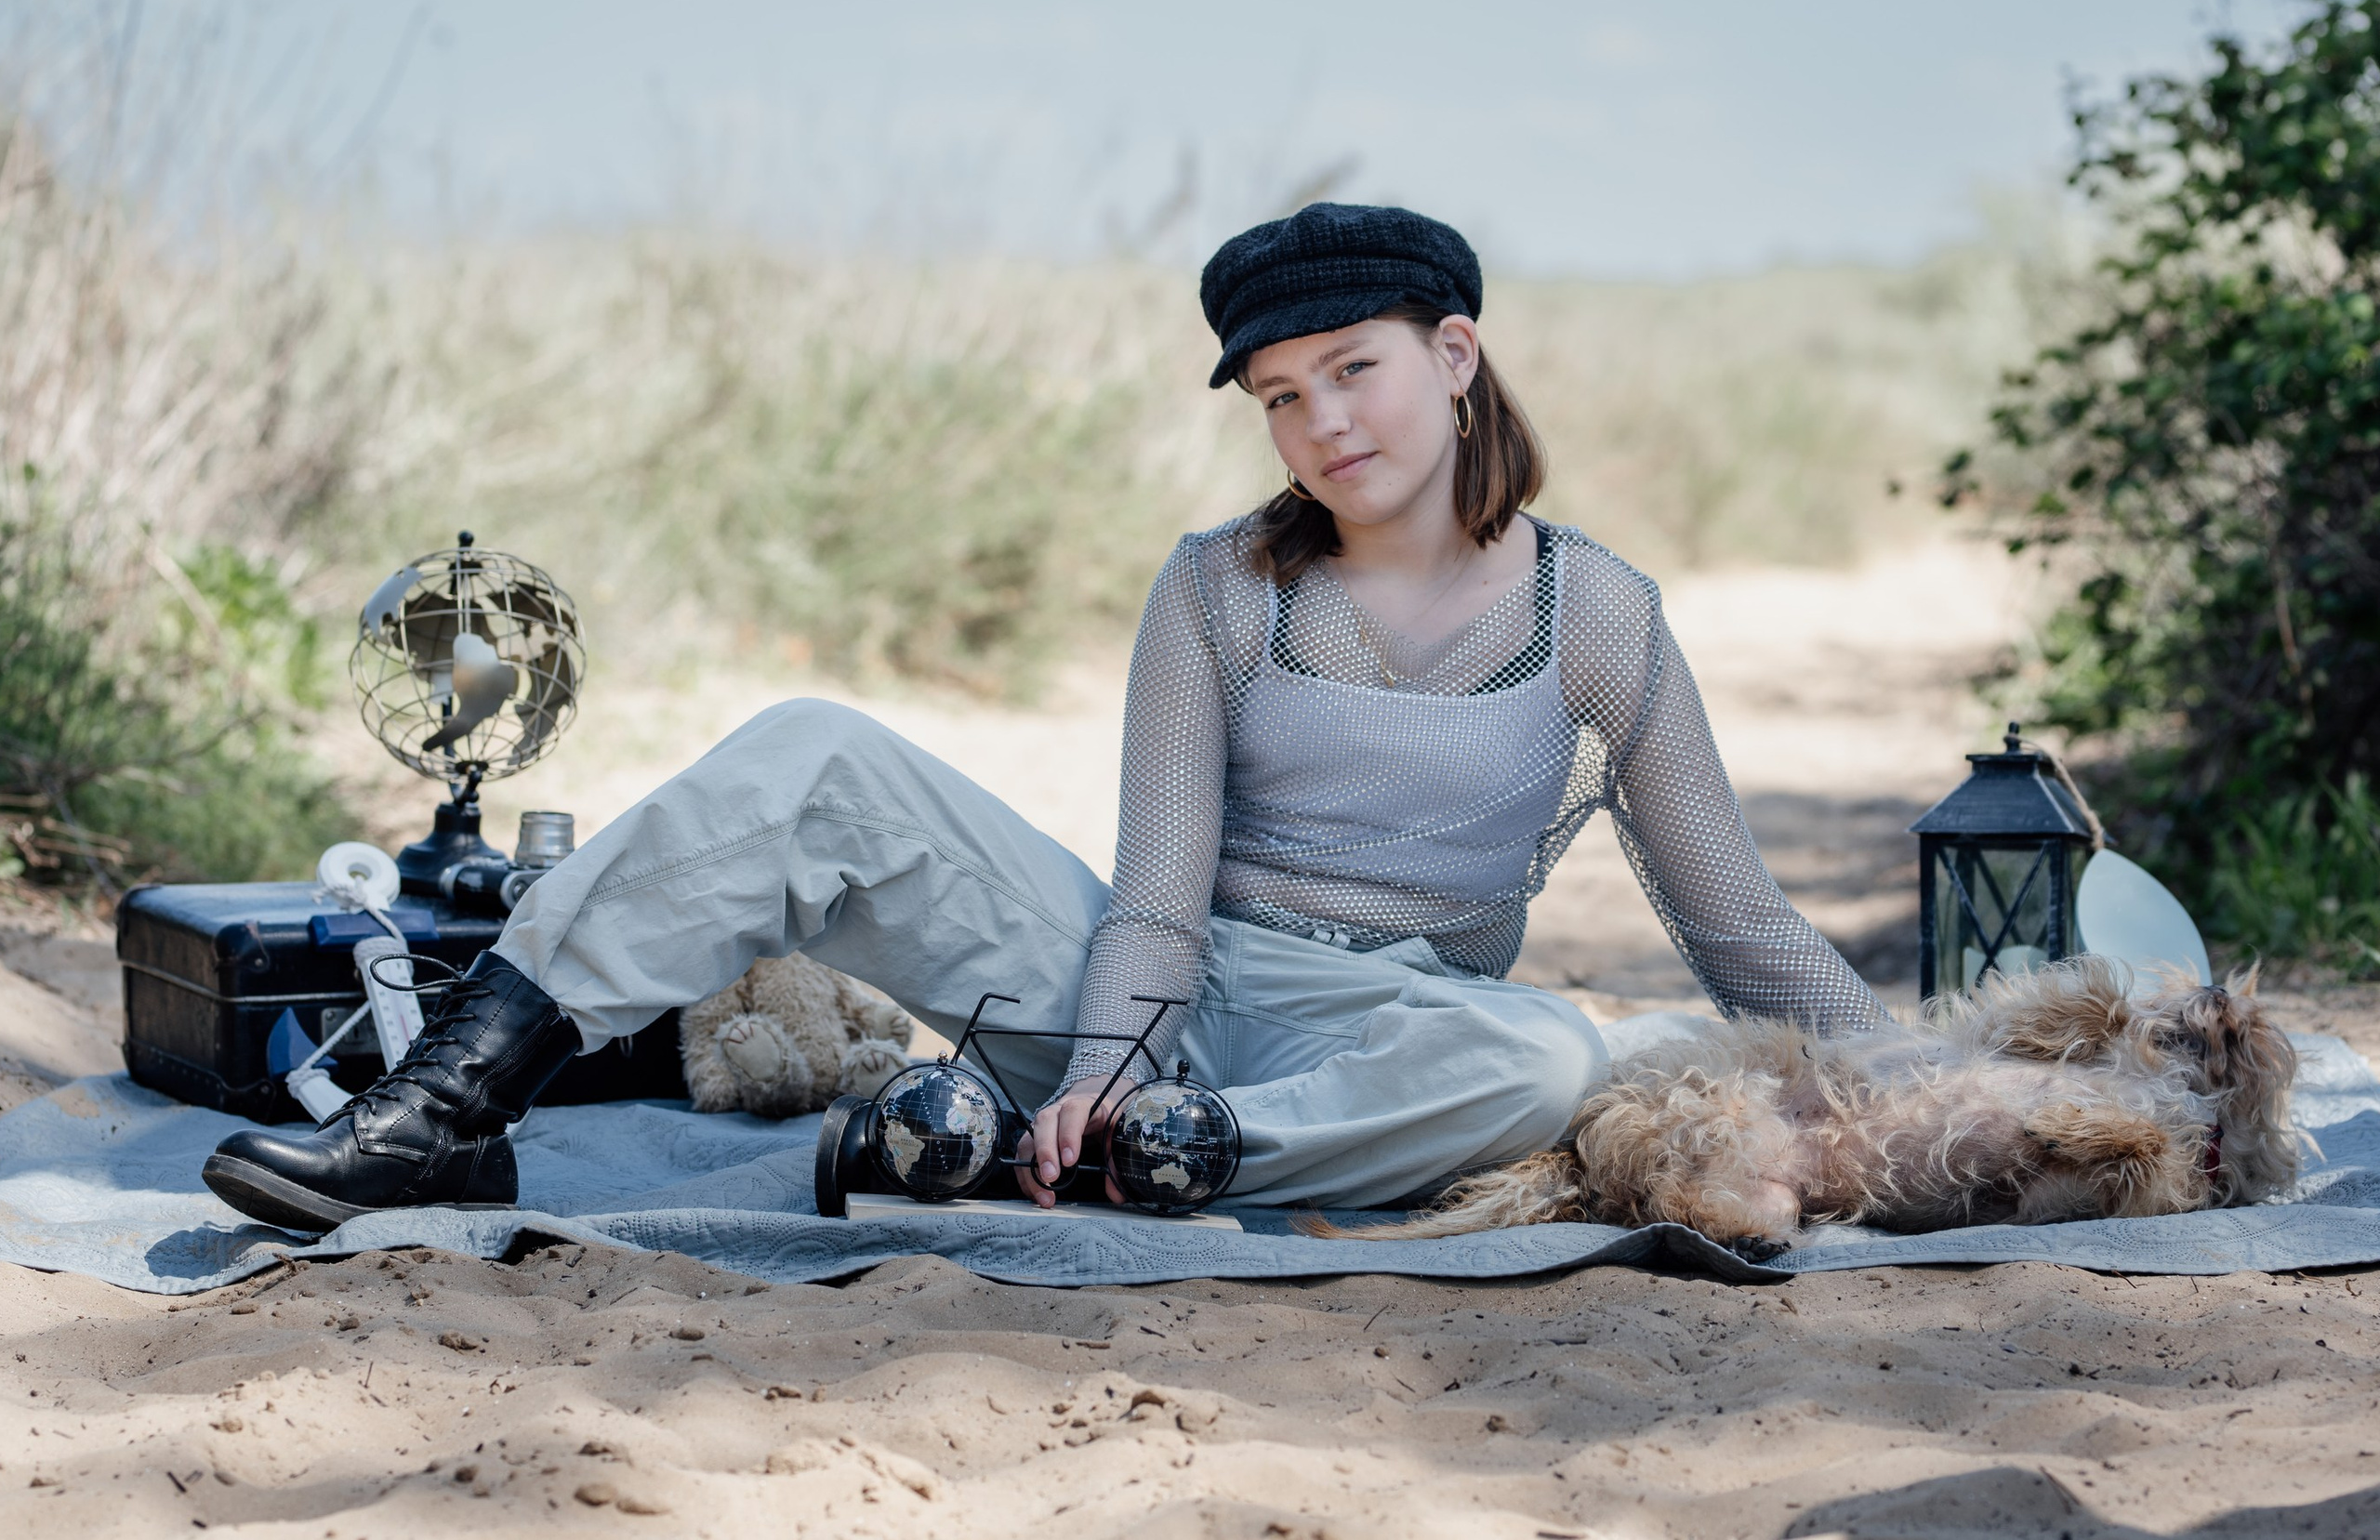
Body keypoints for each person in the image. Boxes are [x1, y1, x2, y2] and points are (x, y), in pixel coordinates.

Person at [202, 202, 1883, 1236]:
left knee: (1548, 1051)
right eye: (1281, 395)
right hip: (1145, 990)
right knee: (814, 752)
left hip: (1379, 1047)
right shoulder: (1222, 585)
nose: (1318, 421)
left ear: (1455, 357)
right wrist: (1105, 1062)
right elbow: (1157, 890)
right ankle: (444, 1112)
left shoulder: (1598, 615)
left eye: (1352, 369)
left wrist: (1930, 1079)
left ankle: (1166, 1154)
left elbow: (1733, 919)